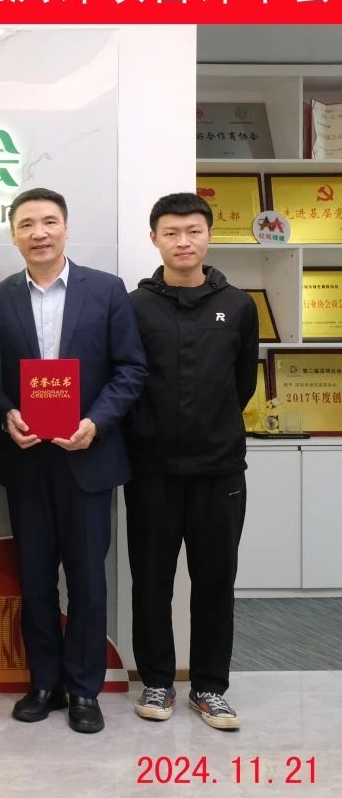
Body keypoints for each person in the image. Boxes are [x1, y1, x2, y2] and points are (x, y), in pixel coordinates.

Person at [0, 188, 147, 734]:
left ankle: (84, 689)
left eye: (49, 221)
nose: (39, 233)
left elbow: (130, 369)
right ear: (13, 235)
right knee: (34, 580)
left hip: (89, 458)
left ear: (66, 228)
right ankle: (44, 682)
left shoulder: (106, 289)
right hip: (27, 461)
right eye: (27, 224)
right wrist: (7, 414)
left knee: (88, 581)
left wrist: (95, 422)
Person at [125, 192, 258, 731]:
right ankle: (157, 680)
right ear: (154, 238)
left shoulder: (238, 305)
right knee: (150, 580)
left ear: (208, 236)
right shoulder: (134, 307)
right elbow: (127, 379)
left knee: (215, 582)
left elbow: (242, 383)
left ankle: (209, 687)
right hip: (150, 469)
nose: (184, 242)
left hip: (219, 469)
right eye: (172, 232)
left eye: (194, 231)